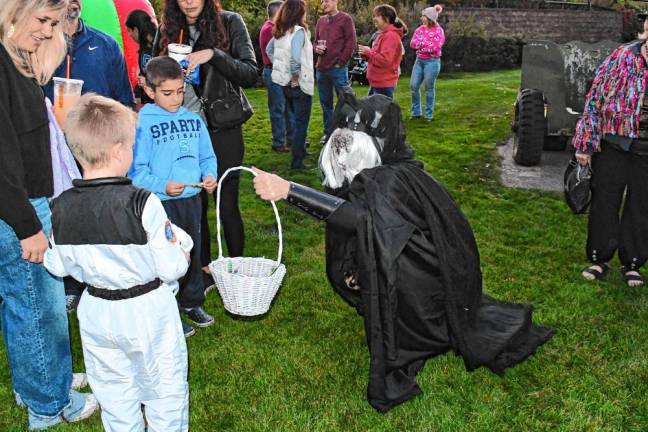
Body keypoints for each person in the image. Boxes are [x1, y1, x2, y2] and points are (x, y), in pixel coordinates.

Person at [251, 93, 554, 412]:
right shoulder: (383, 169)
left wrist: (289, 191)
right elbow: (360, 223)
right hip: (413, 264)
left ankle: (413, 328)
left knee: (383, 264)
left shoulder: (389, 179)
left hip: (423, 280)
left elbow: (362, 221)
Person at [44, 94, 193, 431]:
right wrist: (182, 252)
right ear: (117, 152)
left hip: (97, 312)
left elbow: (57, 264)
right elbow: (171, 268)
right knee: (164, 394)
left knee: (115, 396)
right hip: (147, 313)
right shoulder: (143, 203)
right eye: (130, 145)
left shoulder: (62, 206)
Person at [0, 0, 98, 429]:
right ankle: (49, 404)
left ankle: (42, 380)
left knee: (28, 303)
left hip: (24, 201)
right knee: (40, 308)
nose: (47, 31)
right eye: (43, 20)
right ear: (13, 10)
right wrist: (28, 226)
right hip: (19, 207)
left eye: (54, 24)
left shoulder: (13, 57)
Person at [154, 0, 258, 284]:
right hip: (182, 131)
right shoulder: (167, 30)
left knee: (227, 200)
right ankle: (202, 268)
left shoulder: (231, 22)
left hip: (223, 126)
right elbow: (153, 76)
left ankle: (236, 268)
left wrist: (213, 55)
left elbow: (250, 73)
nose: (188, 2)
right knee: (193, 204)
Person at [131, 56, 218, 336]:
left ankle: (192, 301)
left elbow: (207, 155)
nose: (176, 98)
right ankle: (167, 310)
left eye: (180, 91)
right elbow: (136, 172)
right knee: (165, 259)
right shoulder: (141, 123)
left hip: (192, 199)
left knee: (191, 252)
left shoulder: (193, 119)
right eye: (167, 93)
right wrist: (163, 185)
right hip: (160, 204)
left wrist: (209, 175)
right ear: (150, 91)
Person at [572, 18, 648, 287]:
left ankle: (633, 263)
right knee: (605, 201)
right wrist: (585, 143)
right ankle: (599, 258)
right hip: (614, 145)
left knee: (642, 207)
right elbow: (595, 99)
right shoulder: (622, 57)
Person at [43, 0, 135, 108]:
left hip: (100, 123)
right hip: (53, 123)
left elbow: (126, 102)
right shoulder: (38, 45)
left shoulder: (107, 45)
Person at [266, 0, 314, 170]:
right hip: (299, 84)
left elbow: (269, 51)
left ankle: (298, 152)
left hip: (285, 85)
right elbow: (295, 59)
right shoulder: (298, 32)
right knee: (301, 123)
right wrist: (294, 76)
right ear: (299, 13)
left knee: (294, 119)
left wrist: (281, 69)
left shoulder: (280, 31)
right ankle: (297, 162)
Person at [314, 0, 356, 143]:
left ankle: (348, 132)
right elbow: (315, 41)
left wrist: (341, 63)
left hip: (338, 69)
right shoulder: (320, 21)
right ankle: (329, 133)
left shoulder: (345, 19)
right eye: (322, 1)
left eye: (327, 1)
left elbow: (351, 43)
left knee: (345, 102)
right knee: (326, 105)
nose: (324, 4)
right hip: (321, 69)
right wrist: (316, 49)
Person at [260, 0, 294, 153]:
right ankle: (278, 142)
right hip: (273, 72)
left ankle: (292, 139)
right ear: (278, 12)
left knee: (287, 108)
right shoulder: (270, 29)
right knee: (278, 108)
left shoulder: (275, 28)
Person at [358, 4, 407, 99]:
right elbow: (377, 56)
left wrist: (369, 52)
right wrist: (365, 55)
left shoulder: (391, 36)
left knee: (382, 113)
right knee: (371, 112)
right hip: (377, 83)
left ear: (387, 18)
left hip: (383, 85)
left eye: (377, 16)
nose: (374, 19)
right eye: (374, 16)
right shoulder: (383, 34)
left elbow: (385, 60)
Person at [409, 4, 445, 121]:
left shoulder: (439, 31)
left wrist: (421, 44)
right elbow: (413, 44)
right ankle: (416, 112)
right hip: (419, 61)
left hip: (432, 62)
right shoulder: (419, 29)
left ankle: (428, 114)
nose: (421, 18)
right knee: (414, 86)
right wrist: (425, 44)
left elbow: (435, 47)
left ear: (430, 18)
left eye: (423, 16)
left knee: (429, 88)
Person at [125, 9, 158, 106]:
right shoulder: (145, 46)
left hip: (157, 102)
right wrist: (138, 93)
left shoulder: (158, 45)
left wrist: (147, 81)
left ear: (136, 29)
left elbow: (166, 74)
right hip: (148, 100)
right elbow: (143, 73)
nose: (129, 35)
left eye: (129, 31)